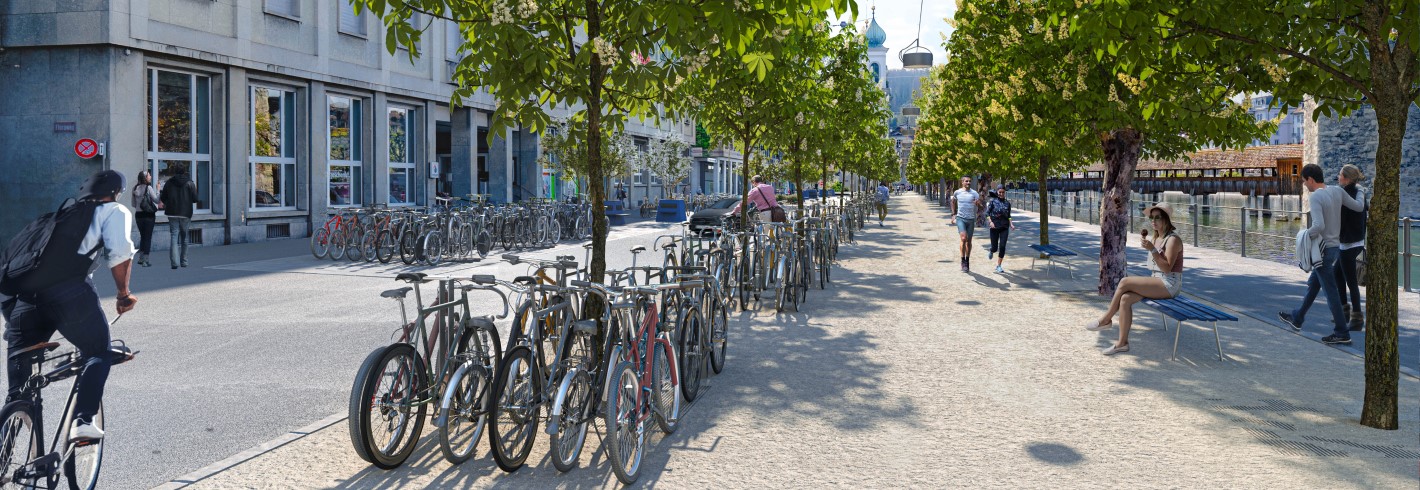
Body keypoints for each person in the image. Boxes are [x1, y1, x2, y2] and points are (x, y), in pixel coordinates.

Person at [3, 170, 138, 441]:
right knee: (98, 352)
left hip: (25, 303)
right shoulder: (114, 211)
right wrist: (123, 295)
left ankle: (6, 442)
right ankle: (83, 420)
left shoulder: (56, 218)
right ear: (115, 193)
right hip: (71, 295)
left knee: (18, 391)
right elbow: (120, 255)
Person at [1279, 164, 1365, 343]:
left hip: (1322, 250)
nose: (1304, 185)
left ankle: (1342, 332)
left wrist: (1302, 236)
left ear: (1311, 179)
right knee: (1314, 283)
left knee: (1330, 291)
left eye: (1304, 181)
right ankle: (1297, 317)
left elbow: (1318, 226)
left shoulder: (1316, 196)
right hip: (1335, 248)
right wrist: (1362, 190)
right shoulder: (1337, 191)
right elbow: (1358, 207)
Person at [1087, 202, 1185, 355]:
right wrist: (1152, 247)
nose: (1153, 221)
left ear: (1166, 219)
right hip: (1157, 281)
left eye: (1157, 217)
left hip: (1169, 284)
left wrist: (1152, 249)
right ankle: (1122, 343)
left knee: (1125, 281)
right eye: (1151, 218)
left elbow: (1167, 268)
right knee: (1125, 299)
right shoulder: (1157, 237)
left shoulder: (1173, 240)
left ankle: (1106, 319)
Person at [1334, 164, 1367, 331]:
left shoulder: (1346, 194)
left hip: (1348, 243)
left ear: (1346, 178)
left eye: (1340, 175)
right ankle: (1344, 314)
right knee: (1337, 274)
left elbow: (1341, 220)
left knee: (1351, 282)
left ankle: (1356, 320)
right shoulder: (1358, 192)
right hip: (1356, 241)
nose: (1338, 177)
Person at [160, 169, 198, 269]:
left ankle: (174, 263)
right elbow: (195, 199)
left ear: (175, 172)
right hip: (185, 213)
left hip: (172, 213)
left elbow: (163, 198)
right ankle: (184, 262)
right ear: (184, 172)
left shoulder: (169, 182)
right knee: (184, 238)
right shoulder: (190, 183)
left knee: (174, 236)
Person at [950, 176, 982, 272]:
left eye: (969, 181)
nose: (968, 182)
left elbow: (981, 206)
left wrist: (977, 204)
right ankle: (962, 260)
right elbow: (953, 202)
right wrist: (953, 214)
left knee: (968, 241)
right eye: (966, 181)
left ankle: (967, 261)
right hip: (961, 219)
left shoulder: (974, 193)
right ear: (962, 182)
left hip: (971, 219)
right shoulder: (957, 192)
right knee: (963, 238)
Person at [985, 185, 1018, 274]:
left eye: (1003, 192)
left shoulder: (1007, 203)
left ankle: (999, 265)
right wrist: (990, 222)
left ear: (1005, 193)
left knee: (1002, 246)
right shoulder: (992, 202)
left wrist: (1011, 224)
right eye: (1000, 192)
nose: (1001, 194)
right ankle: (991, 250)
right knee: (995, 248)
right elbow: (987, 213)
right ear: (997, 192)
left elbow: (1009, 216)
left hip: (1004, 227)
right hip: (994, 227)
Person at [130, 170, 160, 267]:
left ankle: (141, 258)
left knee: (143, 236)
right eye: (149, 175)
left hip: (138, 215)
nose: (150, 176)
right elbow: (156, 200)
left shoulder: (134, 188)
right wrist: (158, 189)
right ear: (145, 177)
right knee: (147, 238)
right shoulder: (149, 188)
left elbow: (133, 204)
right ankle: (145, 260)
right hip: (148, 215)